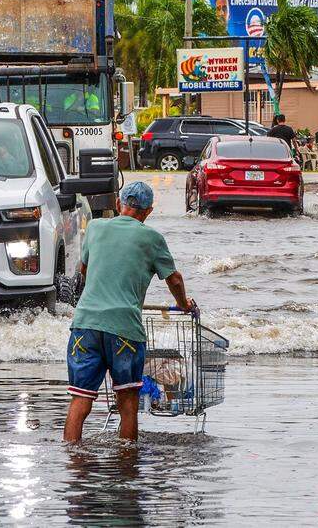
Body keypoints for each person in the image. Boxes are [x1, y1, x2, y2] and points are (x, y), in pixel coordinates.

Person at [63, 181, 196, 443]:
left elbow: (84, 271)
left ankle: (71, 459)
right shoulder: (152, 238)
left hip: (85, 326)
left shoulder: (95, 228)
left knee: (80, 398)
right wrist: (183, 304)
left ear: (118, 204)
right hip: (124, 329)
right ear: (148, 211)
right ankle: (126, 461)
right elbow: (175, 280)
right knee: (127, 401)